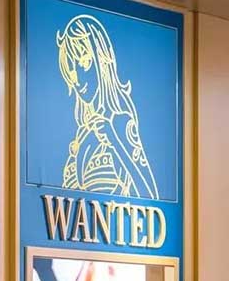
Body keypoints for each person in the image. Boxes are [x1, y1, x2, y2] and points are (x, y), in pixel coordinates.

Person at [57, 14, 158, 199]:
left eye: (84, 62)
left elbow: (150, 196)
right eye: (71, 71)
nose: (77, 79)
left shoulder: (119, 122)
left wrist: (114, 141)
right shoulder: (81, 134)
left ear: (101, 60)